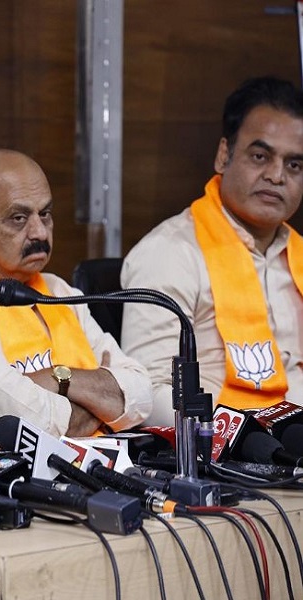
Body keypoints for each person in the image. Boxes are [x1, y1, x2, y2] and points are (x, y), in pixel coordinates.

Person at [122, 76, 303, 426]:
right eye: (260, 156)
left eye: (294, 165)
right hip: (226, 449)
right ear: (224, 155)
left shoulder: (298, 254)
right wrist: (239, 440)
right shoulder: (170, 254)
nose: (277, 175)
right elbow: (148, 394)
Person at [0, 149, 152, 442]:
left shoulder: (57, 289)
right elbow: (21, 422)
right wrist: (102, 403)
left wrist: (56, 377)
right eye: (18, 218)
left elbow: (140, 394)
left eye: (45, 214)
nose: (39, 232)